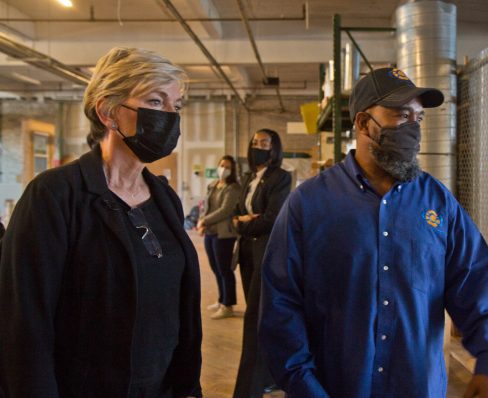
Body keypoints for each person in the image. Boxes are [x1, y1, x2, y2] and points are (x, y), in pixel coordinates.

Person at [259, 68, 488, 398]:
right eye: (400, 115)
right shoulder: (310, 203)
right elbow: (281, 304)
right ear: (362, 123)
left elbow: (479, 286)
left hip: (416, 387)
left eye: (418, 117)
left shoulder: (438, 204)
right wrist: (304, 385)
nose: (412, 127)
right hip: (335, 388)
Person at [0, 47, 202, 398]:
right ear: (109, 112)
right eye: (156, 102)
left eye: (176, 105)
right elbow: (25, 325)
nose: (171, 116)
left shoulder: (164, 198)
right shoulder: (54, 196)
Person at [232, 128, 291, 398]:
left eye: (265, 143)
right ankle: (271, 377)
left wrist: (245, 223)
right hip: (245, 253)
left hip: (265, 253)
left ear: (274, 147)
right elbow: (236, 214)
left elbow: (271, 218)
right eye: (255, 142)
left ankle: (248, 388)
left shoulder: (280, 177)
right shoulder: (248, 178)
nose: (259, 146)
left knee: (255, 318)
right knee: (257, 314)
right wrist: (245, 221)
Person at [197, 155, 241, 319]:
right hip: (210, 232)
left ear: (232, 170)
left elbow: (225, 210)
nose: (223, 169)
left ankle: (228, 305)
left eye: (227, 166)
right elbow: (206, 206)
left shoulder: (233, 188)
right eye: (222, 165)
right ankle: (221, 299)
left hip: (224, 234)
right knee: (216, 268)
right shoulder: (213, 185)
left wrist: (203, 220)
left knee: (225, 269)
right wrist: (202, 222)